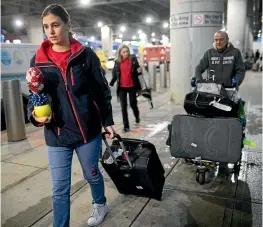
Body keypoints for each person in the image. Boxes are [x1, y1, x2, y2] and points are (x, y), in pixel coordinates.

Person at [27, 4, 115, 227]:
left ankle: (100, 203)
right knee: (59, 189)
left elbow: (101, 91)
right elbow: (34, 95)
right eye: (46, 27)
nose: (51, 31)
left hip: (88, 132)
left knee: (92, 175)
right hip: (57, 135)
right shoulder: (37, 61)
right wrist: (36, 117)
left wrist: (108, 122)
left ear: (67, 25)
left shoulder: (86, 57)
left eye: (55, 25)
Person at [109, 44, 142, 132]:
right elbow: (115, 75)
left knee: (133, 103)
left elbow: (138, 71)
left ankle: (137, 116)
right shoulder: (117, 62)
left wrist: (139, 71)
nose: (126, 53)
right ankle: (126, 126)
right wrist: (110, 84)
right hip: (122, 88)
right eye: (123, 52)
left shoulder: (133, 59)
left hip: (132, 86)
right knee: (123, 107)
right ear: (120, 53)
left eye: (127, 51)